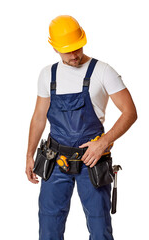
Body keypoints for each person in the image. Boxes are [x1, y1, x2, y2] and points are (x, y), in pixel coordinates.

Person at [25, 15, 137, 240]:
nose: (75, 55)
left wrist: (103, 142)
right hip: (55, 160)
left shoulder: (103, 71)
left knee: (99, 227)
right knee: (49, 225)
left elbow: (130, 112)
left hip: (92, 161)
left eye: (78, 48)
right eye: (68, 50)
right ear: (55, 47)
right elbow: (39, 117)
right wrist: (29, 154)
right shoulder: (48, 75)